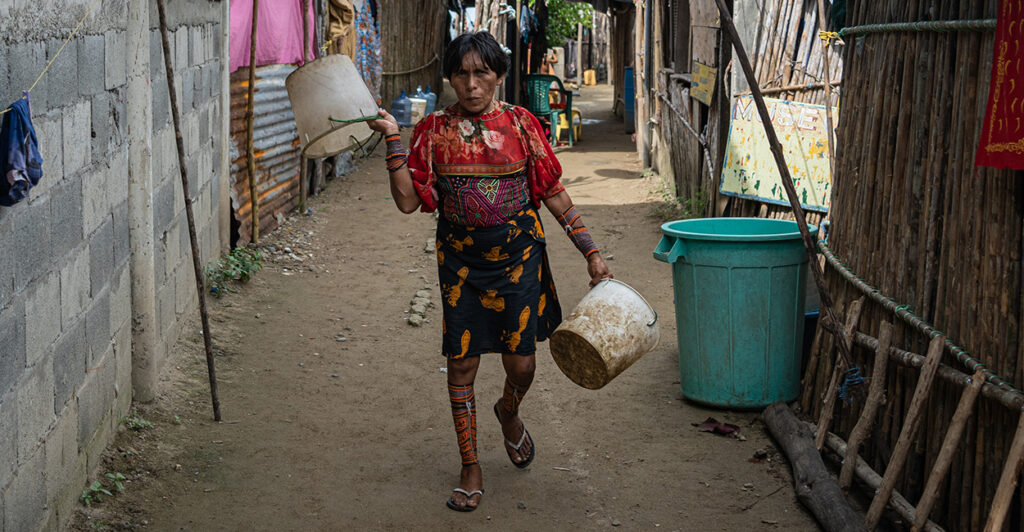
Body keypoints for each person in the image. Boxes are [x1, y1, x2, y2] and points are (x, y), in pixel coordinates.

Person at [368, 31, 612, 513]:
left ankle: (509, 409)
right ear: (451, 78)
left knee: (521, 363)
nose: (472, 84)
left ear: (499, 76)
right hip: (460, 265)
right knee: (461, 363)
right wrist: (394, 139)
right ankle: (470, 464)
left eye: (482, 73)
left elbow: (553, 192)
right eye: (462, 73)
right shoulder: (434, 130)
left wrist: (591, 253)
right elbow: (406, 200)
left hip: (520, 259)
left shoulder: (522, 125)